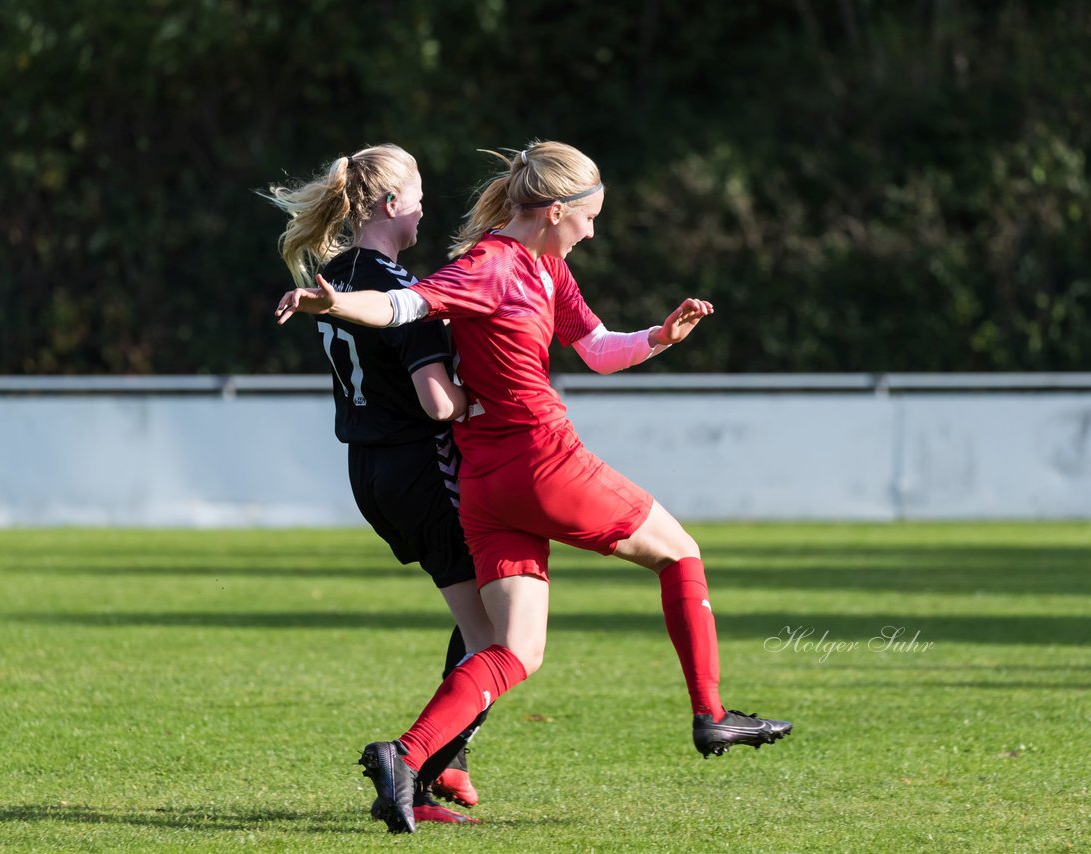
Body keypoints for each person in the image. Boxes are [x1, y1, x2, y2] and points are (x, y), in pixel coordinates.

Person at [274, 140, 792, 835]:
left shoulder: (545, 268)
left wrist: (660, 337)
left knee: (515, 648)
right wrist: (339, 304)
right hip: (543, 461)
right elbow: (403, 308)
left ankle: (406, 757)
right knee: (681, 553)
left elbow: (601, 349)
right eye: (589, 217)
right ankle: (711, 714)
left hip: (487, 483)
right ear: (554, 211)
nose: (593, 229)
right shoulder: (488, 267)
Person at [263, 143, 495, 825]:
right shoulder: (397, 289)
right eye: (419, 193)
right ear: (392, 205)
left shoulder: (340, 275)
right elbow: (437, 403)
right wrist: (483, 397)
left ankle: (444, 759)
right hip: (419, 467)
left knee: (485, 615)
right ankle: (422, 766)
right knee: (502, 633)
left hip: (371, 471)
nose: (426, 206)